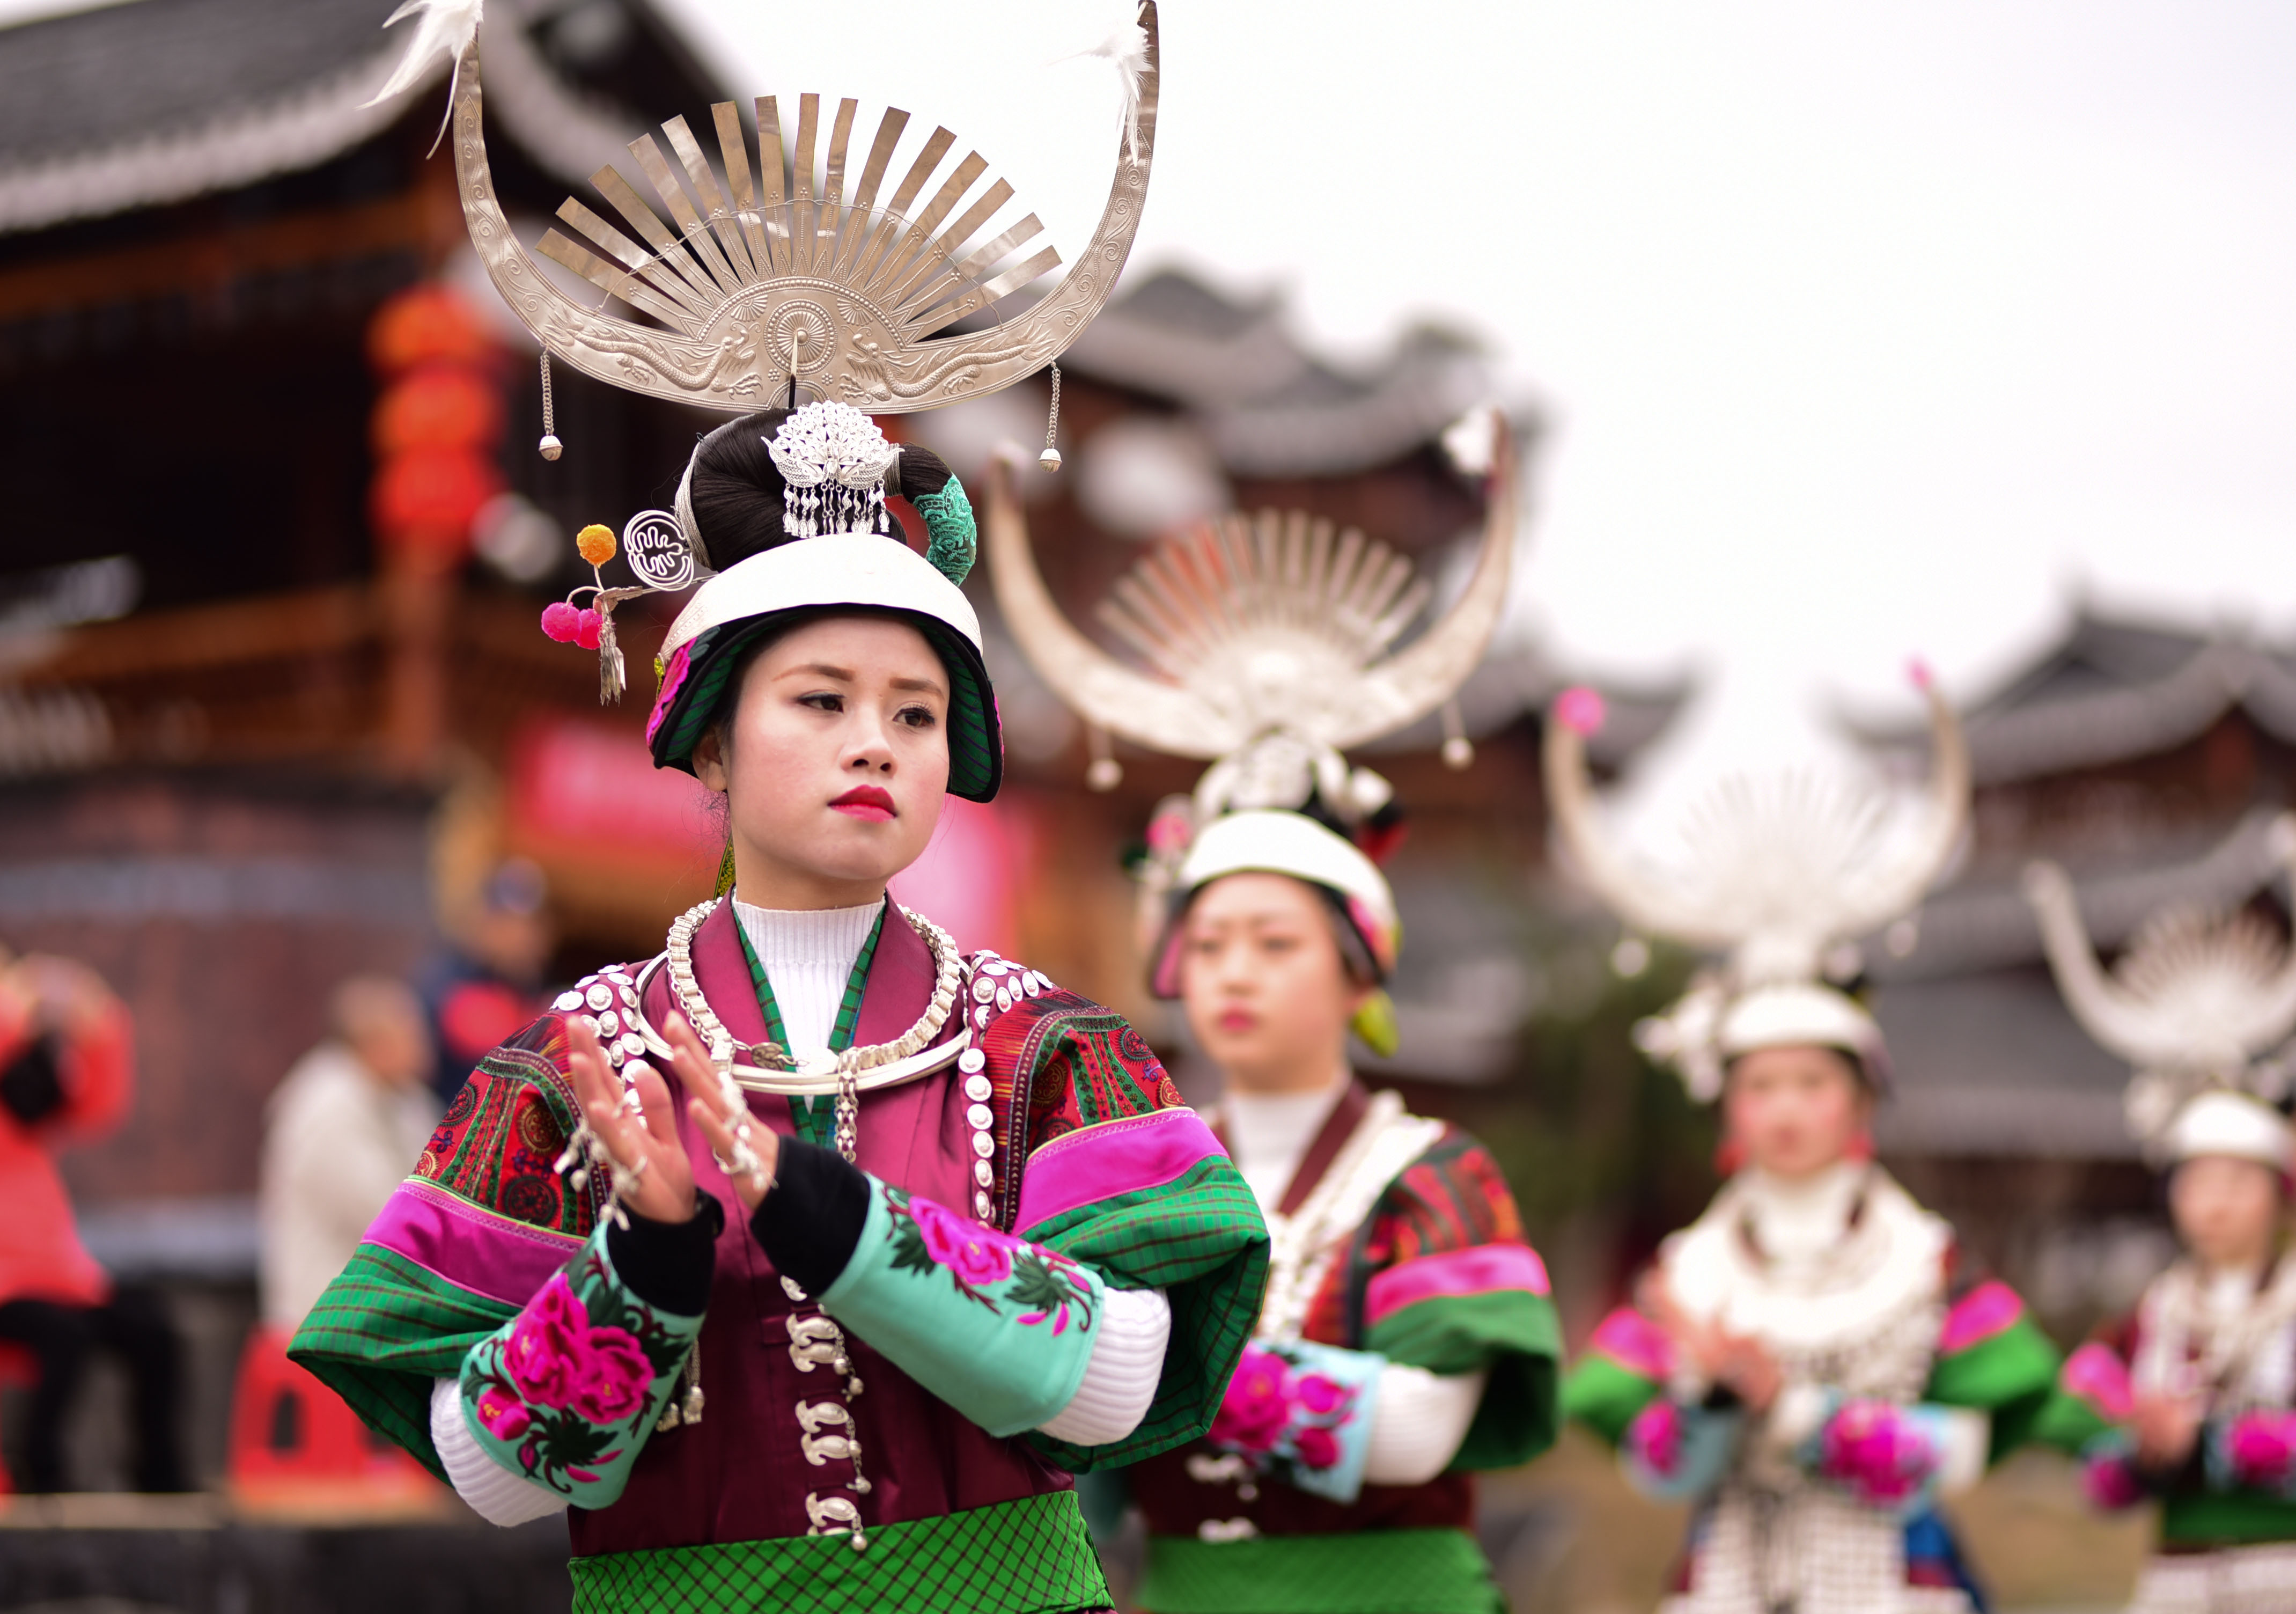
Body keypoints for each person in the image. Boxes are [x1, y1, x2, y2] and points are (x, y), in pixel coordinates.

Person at [293, 13, 1264, 1606]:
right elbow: (485, 1474)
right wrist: (654, 1258)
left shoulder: (1046, 1052)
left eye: (915, 712)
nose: (874, 744)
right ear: (707, 740)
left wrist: (822, 1211)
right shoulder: (571, 1068)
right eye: (818, 702)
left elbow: (1109, 1385)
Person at [987, 408, 1561, 1613]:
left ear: (1364, 969)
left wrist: (1153, 1364)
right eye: (1211, 941)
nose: (1234, 971)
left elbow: (1414, 1430)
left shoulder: (1435, 1175)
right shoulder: (1130, 1167)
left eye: (1277, 941)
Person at [1548, 679, 2059, 1614]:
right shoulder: (1685, 1271)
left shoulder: (1928, 1258)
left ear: (1863, 1095)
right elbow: (1654, 1472)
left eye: (1811, 1082)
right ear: (1725, 1103)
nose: (1784, 1109)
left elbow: (1967, 1451)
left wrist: (1791, 1409)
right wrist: (1708, 1399)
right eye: (1760, 1084)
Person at [2026, 813, 2296, 1611]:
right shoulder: (2150, 1320)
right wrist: (2139, 1456)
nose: (2217, 1204)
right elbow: (2094, 1471)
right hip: (2184, 1581)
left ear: (2283, 1191)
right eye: (2197, 1182)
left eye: (2240, 1182)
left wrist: (2201, 1444)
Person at [0, 947, 188, 1493]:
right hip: (10, 1286)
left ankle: (161, 1477)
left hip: (57, 1276)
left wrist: (97, 1020)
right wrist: (20, 1007)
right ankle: (42, 1476)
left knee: (152, 1327)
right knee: (65, 1338)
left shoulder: (23, 1114)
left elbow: (98, 1101)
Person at [260, 975, 440, 1327]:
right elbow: (387, 1215)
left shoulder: (406, 1097)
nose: (423, 1043)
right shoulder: (327, 1105)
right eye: (411, 1032)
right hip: (325, 1321)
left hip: (380, 1312)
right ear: (374, 1042)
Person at [418, 859, 555, 1108]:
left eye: (529, 926)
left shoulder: (536, 990)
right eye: (507, 924)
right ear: (483, 923)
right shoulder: (447, 985)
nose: (520, 937)